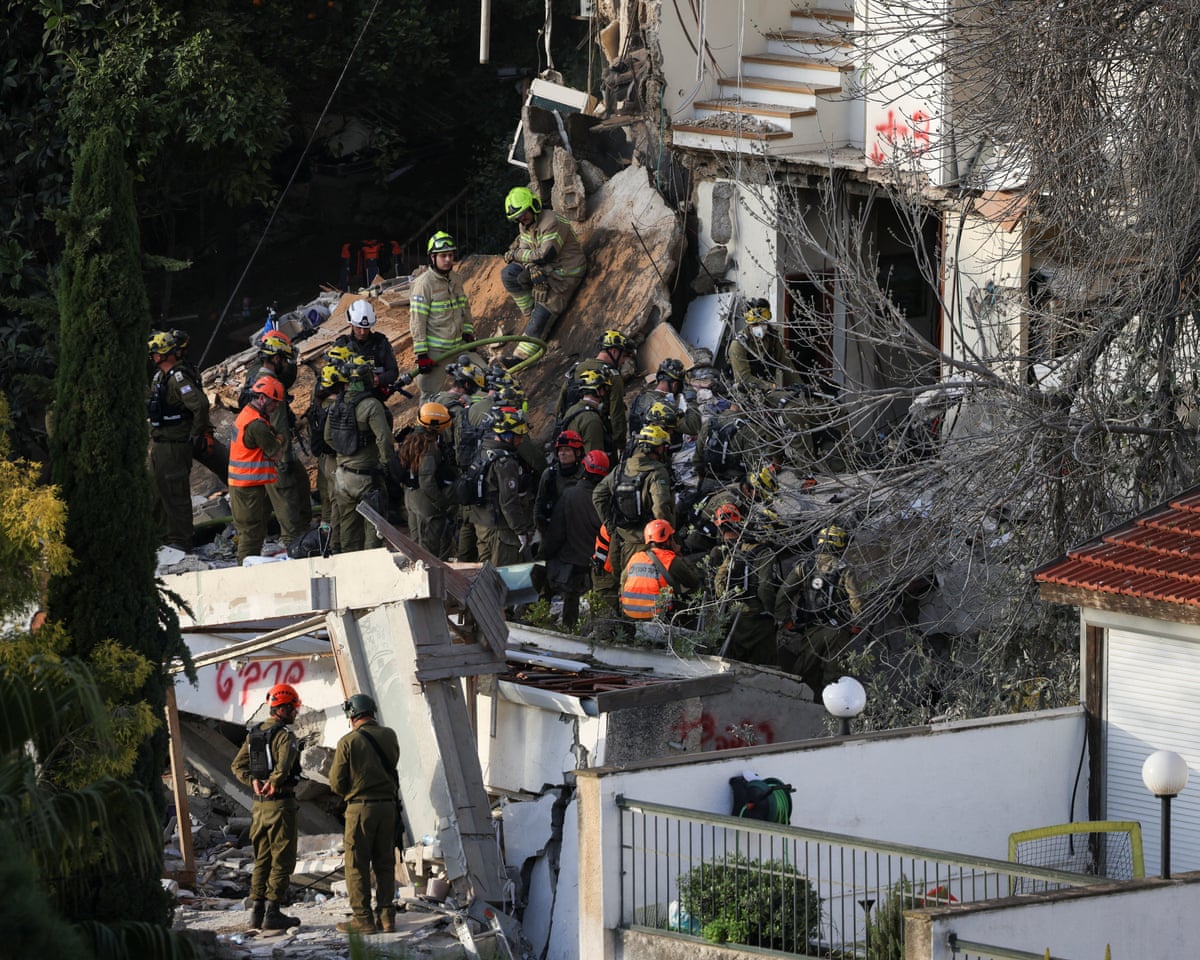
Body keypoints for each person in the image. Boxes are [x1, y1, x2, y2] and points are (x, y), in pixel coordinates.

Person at [231, 683, 304, 932]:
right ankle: (273, 911)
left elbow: (237, 766)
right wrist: (273, 782)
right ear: (282, 709)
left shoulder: (255, 734)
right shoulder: (285, 736)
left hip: (259, 808)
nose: (295, 713)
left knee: (261, 858)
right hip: (281, 806)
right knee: (282, 858)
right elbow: (284, 767)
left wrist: (252, 781)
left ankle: (257, 911)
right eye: (293, 708)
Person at [329, 693, 402, 936]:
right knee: (384, 863)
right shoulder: (390, 735)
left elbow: (336, 784)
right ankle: (387, 918)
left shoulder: (348, 742)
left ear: (351, 714)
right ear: (372, 711)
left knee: (357, 865)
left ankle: (363, 919)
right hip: (388, 808)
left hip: (360, 809)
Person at [775, 524, 865, 697]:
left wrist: (784, 620)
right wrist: (858, 624)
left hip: (810, 630)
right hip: (839, 631)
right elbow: (857, 600)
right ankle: (832, 716)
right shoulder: (845, 568)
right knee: (835, 678)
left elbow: (783, 595)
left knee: (803, 675)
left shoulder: (803, 566)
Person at [499, 186, 587, 361]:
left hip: (565, 274)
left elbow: (545, 255)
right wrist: (532, 267)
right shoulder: (525, 226)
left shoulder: (552, 222)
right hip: (546, 268)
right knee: (509, 274)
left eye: (523, 213)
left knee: (542, 315)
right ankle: (530, 311)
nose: (521, 218)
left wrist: (518, 255)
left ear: (533, 206)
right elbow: (528, 253)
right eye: (517, 217)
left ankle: (520, 357)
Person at [241, 330, 310, 549]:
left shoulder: (253, 376)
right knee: (289, 510)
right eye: (285, 360)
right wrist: (284, 460)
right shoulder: (271, 386)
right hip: (273, 454)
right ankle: (295, 548)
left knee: (299, 483)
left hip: (256, 451)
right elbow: (279, 423)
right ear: (277, 359)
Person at [148, 329, 215, 551]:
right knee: (159, 495)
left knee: (176, 496)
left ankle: (180, 541)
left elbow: (200, 406)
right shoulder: (159, 378)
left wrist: (196, 434)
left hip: (175, 445)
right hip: (160, 443)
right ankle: (162, 539)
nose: (153, 357)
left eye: (156, 353)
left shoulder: (179, 378)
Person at [592, 423, 675, 599]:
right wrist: (666, 537)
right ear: (656, 448)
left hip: (619, 539)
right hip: (645, 542)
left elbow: (598, 495)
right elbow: (661, 507)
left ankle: (619, 623)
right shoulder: (657, 471)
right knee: (641, 588)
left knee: (621, 583)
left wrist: (610, 525)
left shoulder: (621, 468)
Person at [325, 356, 394, 552]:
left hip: (342, 477)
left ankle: (351, 572)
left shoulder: (336, 404)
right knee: (374, 528)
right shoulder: (371, 405)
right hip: (367, 479)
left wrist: (345, 452)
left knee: (349, 531)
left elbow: (328, 438)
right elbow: (384, 439)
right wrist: (386, 463)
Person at [542, 449, 609, 628]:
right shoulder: (605, 498)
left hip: (571, 561)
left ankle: (569, 628)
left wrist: (544, 554)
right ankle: (596, 631)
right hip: (597, 562)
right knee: (597, 600)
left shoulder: (569, 495)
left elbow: (556, 532)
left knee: (570, 597)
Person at [708, 505, 779, 665]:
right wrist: (771, 613)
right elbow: (765, 587)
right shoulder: (765, 553)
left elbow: (719, 579)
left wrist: (727, 603)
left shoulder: (736, 550)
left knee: (732, 661)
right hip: (756, 617)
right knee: (765, 664)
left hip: (733, 614)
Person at [409, 231, 475, 399]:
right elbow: (418, 320)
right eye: (443, 256)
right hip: (436, 351)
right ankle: (424, 425)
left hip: (459, 345)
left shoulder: (455, 278)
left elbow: (464, 307)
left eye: (450, 255)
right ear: (432, 257)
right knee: (429, 393)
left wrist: (468, 332)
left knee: (479, 380)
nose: (448, 260)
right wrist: (422, 354)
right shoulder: (424, 284)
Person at [468, 407, 536, 567]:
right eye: (518, 435)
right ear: (507, 435)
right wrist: (520, 530)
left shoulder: (483, 450)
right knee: (503, 577)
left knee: (485, 576)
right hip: (501, 530)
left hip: (482, 525)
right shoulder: (506, 463)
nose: (521, 440)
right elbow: (508, 500)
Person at [229, 376, 287, 564]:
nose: (275, 407)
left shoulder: (248, 414)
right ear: (262, 398)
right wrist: (279, 439)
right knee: (251, 534)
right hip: (248, 487)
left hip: (245, 485)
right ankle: (245, 569)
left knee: (253, 531)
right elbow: (276, 453)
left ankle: (248, 565)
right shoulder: (257, 425)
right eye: (274, 403)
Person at [398, 402, 457, 559]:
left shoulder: (410, 440)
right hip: (426, 503)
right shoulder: (429, 447)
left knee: (416, 545)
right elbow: (427, 481)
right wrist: (441, 503)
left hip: (410, 498)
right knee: (429, 551)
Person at [555, 330, 635, 441]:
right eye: (624, 356)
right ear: (614, 351)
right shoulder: (613, 376)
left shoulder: (577, 368)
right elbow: (617, 414)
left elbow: (560, 404)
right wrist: (619, 443)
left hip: (569, 432)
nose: (623, 361)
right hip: (596, 433)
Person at [619, 519, 703, 623]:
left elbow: (623, 581)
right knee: (698, 590)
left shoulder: (636, 557)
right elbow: (693, 582)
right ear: (668, 540)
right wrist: (680, 555)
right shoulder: (671, 561)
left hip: (629, 615)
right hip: (658, 618)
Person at [627, 358, 701, 441]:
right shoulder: (664, 408)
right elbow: (694, 426)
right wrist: (691, 398)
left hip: (636, 446)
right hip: (656, 451)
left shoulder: (641, 397)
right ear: (675, 385)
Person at [337, 299, 400, 396]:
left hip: (373, 395)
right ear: (350, 324)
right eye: (358, 327)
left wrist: (379, 379)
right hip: (347, 396)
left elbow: (393, 372)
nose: (362, 332)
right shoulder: (341, 345)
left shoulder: (380, 343)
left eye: (366, 328)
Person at [727, 297, 789, 394]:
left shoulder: (773, 338)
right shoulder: (739, 344)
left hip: (770, 390)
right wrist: (771, 387)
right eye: (755, 324)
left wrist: (800, 388)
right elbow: (743, 378)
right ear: (749, 325)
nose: (760, 327)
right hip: (746, 392)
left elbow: (786, 364)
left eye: (763, 323)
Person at [535, 430, 584, 534]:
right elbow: (539, 503)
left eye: (567, 450)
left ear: (578, 452)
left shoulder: (586, 475)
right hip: (554, 528)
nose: (562, 453)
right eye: (560, 450)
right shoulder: (549, 474)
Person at [558, 368, 611, 455]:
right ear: (600, 391)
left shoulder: (572, 410)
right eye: (605, 389)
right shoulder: (592, 419)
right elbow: (594, 458)